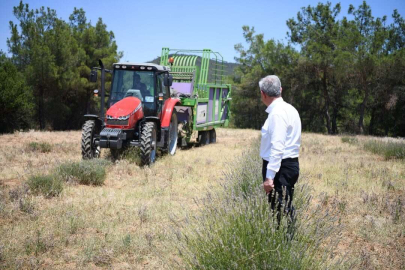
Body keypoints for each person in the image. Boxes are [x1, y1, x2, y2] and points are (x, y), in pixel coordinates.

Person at [259, 75, 301, 223]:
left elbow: (277, 148)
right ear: (280, 90)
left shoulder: (277, 114)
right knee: (284, 207)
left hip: (279, 169)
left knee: (280, 211)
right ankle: (287, 239)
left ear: (263, 94)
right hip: (289, 165)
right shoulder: (290, 109)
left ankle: (286, 241)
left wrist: (270, 177)